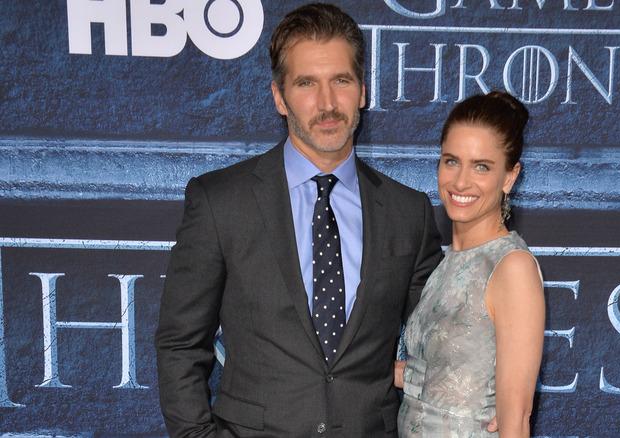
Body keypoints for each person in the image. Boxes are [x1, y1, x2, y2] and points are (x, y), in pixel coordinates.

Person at [154, 3, 442, 437]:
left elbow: (443, 341)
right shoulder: (220, 202)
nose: (327, 103)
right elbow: (180, 344)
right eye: (307, 83)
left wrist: (489, 399)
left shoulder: (409, 213)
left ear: (362, 91)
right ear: (279, 97)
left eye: (341, 81)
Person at [397, 92, 545, 437]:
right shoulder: (445, 262)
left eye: (481, 166)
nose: (461, 182)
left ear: (510, 177)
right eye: (451, 161)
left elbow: (515, 418)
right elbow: (435, 376)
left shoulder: (512, 268)